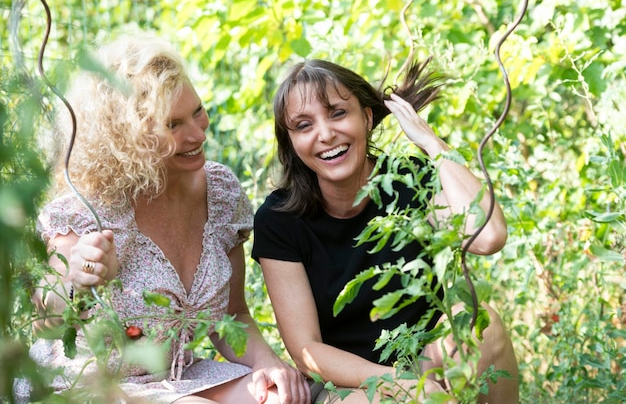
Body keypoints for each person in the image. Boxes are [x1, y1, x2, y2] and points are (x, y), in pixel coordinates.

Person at [16, 32, 310, 404]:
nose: (197, 133)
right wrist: (75, 279)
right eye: (172, 125)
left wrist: (270, 365)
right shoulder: (85, 207)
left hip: (178, 379)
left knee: (275, 398)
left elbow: (233, 315)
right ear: (125, 138)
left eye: (197, 111)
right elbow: (47, 325)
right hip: (83, 387)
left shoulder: (219, 192)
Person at [252, 58, 519, 403]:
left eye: (337, 113)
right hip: (349, 386)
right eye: (304, 125)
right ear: (291, 142)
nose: (325, 134)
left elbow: (488, 236)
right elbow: (307, 350)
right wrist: (399, 383)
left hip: (424, 360)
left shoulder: (409, 181)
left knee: (480, 325)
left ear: (366, 117)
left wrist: (431, 144)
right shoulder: (279, 219)